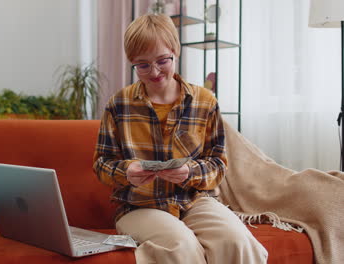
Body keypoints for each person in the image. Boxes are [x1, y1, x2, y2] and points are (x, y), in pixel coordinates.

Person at [93, 13, 268, 264]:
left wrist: (190, 172)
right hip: (140, 206)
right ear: (132, 63)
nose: (154, 72)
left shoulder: (205, 102)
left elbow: (218, 164)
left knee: (237, 242)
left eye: (163, 60)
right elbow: (101, 163)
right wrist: (126, 172)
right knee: (180, 246)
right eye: (142, 65)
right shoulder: (118, 104)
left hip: (195, 200)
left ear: (176, 52)